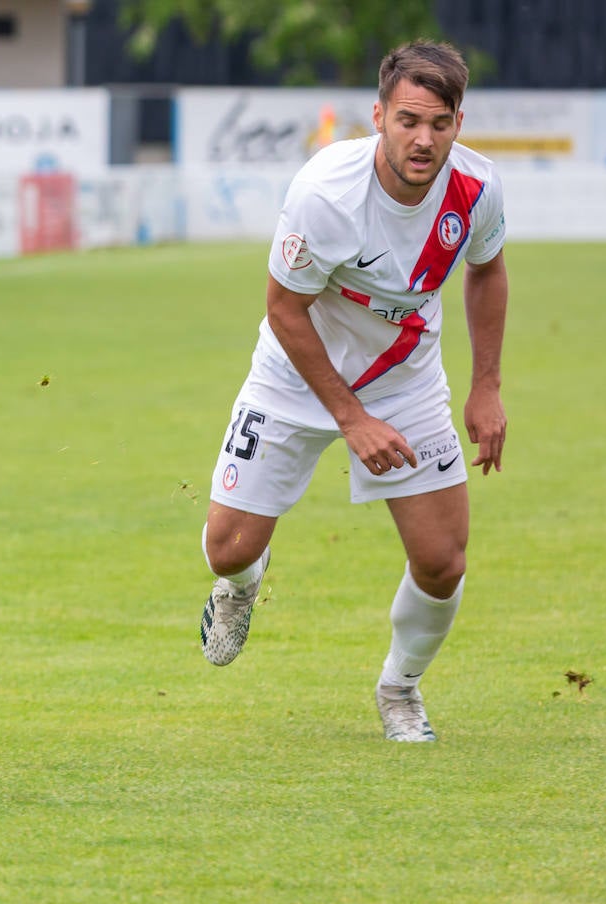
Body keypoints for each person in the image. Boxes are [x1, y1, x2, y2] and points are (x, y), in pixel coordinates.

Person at [196, 40, 508, 743]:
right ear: (378, 117)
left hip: (404, 379)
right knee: (226, 549)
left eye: (439, 122)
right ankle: (243, 585)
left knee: (441, 559)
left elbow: (487, 270)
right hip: (293, 372)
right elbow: (284, 309)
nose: (423, 139)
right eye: (407, 120)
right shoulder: (325, 193)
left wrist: (486, 385)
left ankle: (400, 688)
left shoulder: (476, 190)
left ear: (459, 121)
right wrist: (350, 418)